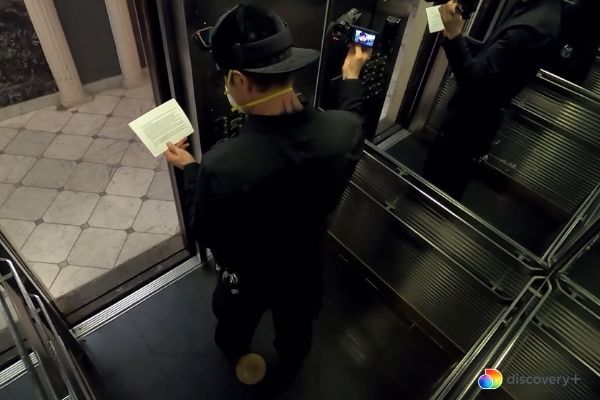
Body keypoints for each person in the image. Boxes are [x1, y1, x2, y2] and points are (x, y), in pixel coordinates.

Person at [164, 4, 371, 395]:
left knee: (234, 321)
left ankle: (236, 354)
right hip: (303, 264)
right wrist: (350, 75)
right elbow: (353, 113)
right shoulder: (342, 132)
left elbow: (202, 228)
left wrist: (191, 168)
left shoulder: (222, 165)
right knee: (296, 327)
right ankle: (289, 368)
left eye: (224, 79)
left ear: (239, 80)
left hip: (248, 274)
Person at [423, 0, 561, 199]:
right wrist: (451, 32)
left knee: (440, 185)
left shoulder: (530, 29)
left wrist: (454, 36)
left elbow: (476, 82)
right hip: (477, 117)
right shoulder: (537, 8)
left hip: (472, 121)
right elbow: (492, 58)